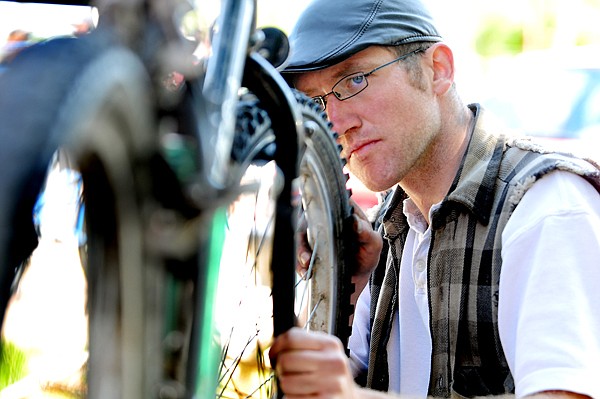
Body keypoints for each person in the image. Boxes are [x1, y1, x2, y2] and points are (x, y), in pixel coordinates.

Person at [269, 0, 600, 398]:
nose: (337, 123)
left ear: (437, 69)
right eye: (317, 102)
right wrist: (346, 284)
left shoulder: (544, 206)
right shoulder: (393, 225)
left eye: (355, 80)